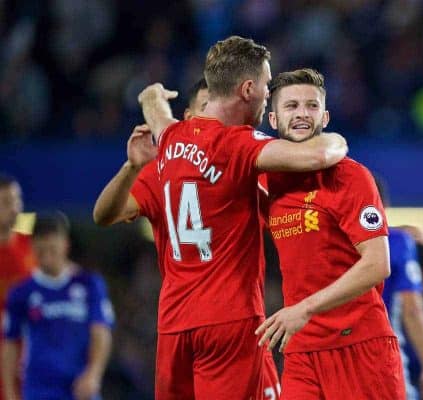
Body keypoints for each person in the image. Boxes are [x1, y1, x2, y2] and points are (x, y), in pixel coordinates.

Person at [96, 35, 347, 399]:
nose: (267, 95)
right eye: (265, 85)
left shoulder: (170, 139)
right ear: (247, 89)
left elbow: (158, 117)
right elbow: (316, 156)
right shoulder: (236, 143)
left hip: (173, 324)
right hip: (230, 319)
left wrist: (149, 97)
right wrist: (338, 139)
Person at [94, 77, 281, 399]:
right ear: (186, 119)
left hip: (205, 322)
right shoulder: (163, 170)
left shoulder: (239, 158)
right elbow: (104, 214)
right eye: (205, 109)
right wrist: (131, 167)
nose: (212, 119)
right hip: (212, 319)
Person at [255, 68, 405, 399]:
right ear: (273, 119)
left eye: (311, 106)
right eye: (291, 106)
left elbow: (378, 264)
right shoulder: (268, 182)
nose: (301, 114)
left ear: (324, 116)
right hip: (302, 351)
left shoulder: (351, 177)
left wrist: (305, 308)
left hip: (361, 345)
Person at [1, 212, 113, 400]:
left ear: (65, 245)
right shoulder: (21, 292)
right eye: (41, 251)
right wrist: (10, 394)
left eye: (52, 249)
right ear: (32, 248)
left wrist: (94, 374)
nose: (47, 257)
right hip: (39, 390)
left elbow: (101, 332)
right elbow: (10, 345)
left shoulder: (89, 284)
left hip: (81, 388)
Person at [381, 222, 423, 400]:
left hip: (329, 357)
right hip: (380, 355)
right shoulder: (396, 242)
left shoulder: (325, 242)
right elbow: (413, 309)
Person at [0, 174, 36, 400]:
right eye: (6, 202)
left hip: (28, 349)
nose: (14, 208)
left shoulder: (31, 246)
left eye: (17, 200)